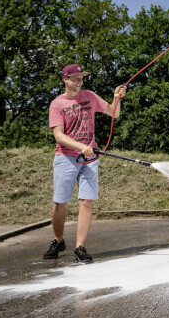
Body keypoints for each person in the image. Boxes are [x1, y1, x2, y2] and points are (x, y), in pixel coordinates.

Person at [43, 64, 127, 263]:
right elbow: (59, 136)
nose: (79, 82)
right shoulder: (57, 104)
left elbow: (114, 114)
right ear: (65, 79)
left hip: (90, 158)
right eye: (75, 78)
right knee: (59, 203)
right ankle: (58, 240)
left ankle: (80, 247)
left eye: (81, 78)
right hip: (65, 157)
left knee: (86, 201)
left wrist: (117, 99)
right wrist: (81, 146)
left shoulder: (89, 95)